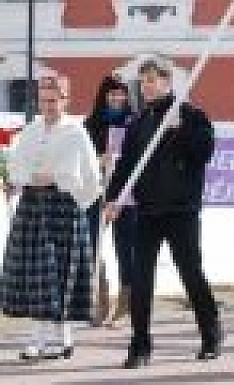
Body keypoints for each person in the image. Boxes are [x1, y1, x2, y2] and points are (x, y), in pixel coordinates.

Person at [103, 58, 220, 369]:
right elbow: (126, 166)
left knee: (190, 274)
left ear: (168, 82)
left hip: (181, 209)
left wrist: (180, 130)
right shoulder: (138, 122)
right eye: (143, 82)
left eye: (152, 81)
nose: (147, 87)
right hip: (148, 211)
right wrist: (113, 199)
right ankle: (140, 345)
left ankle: (210, 334)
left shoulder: (191, 114)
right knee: (140, 279)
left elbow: (205, 152)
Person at [0, 75, 101, 360]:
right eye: (43, 100)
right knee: (38, 276)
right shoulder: (30, 131)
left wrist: (75, 198)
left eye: (53, 100)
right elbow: (18, 165)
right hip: (32, 206)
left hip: (63, 207)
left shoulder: (76, 131)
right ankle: (39, 339)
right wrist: (16, 182)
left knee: (60, 274)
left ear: (65, 100)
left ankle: (63, 336)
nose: (48, 106)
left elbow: (91, 176)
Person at [84, 74, 135, 327]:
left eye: (121, 93)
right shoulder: (90, 125)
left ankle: (126, 303)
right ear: (103, 96)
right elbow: (80, 160)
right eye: (112, 93)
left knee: (126, 247)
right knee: (93, 245)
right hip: (96, 192)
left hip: (127, 195)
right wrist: (98, 161)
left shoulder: (134, 122)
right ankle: (99, 300)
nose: (118, 98)